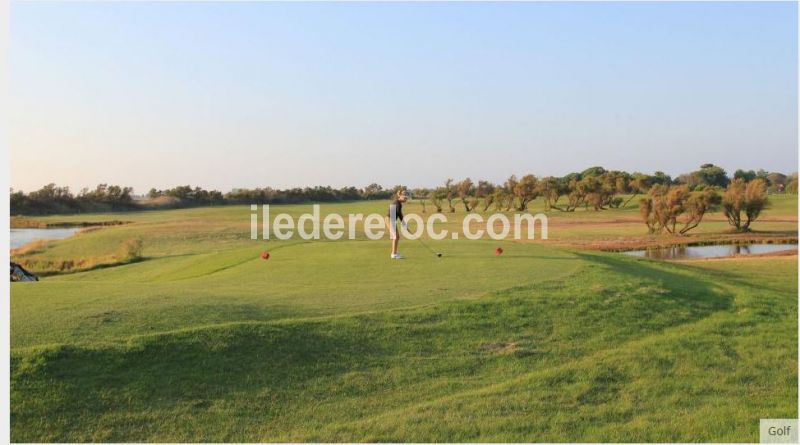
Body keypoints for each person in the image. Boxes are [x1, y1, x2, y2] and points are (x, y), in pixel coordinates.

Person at [386, 189, 409, 259]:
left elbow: (399, 214)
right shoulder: (397, 203)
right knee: (395, 236)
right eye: (404, 196)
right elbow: (399, 213)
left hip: (391, 220)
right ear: (399, 196)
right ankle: (393, 254)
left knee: (397, 237)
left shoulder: (398, 203)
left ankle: (394, 252)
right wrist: (404, 224)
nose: (406, 197)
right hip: (389, 220)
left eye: (406, 196)